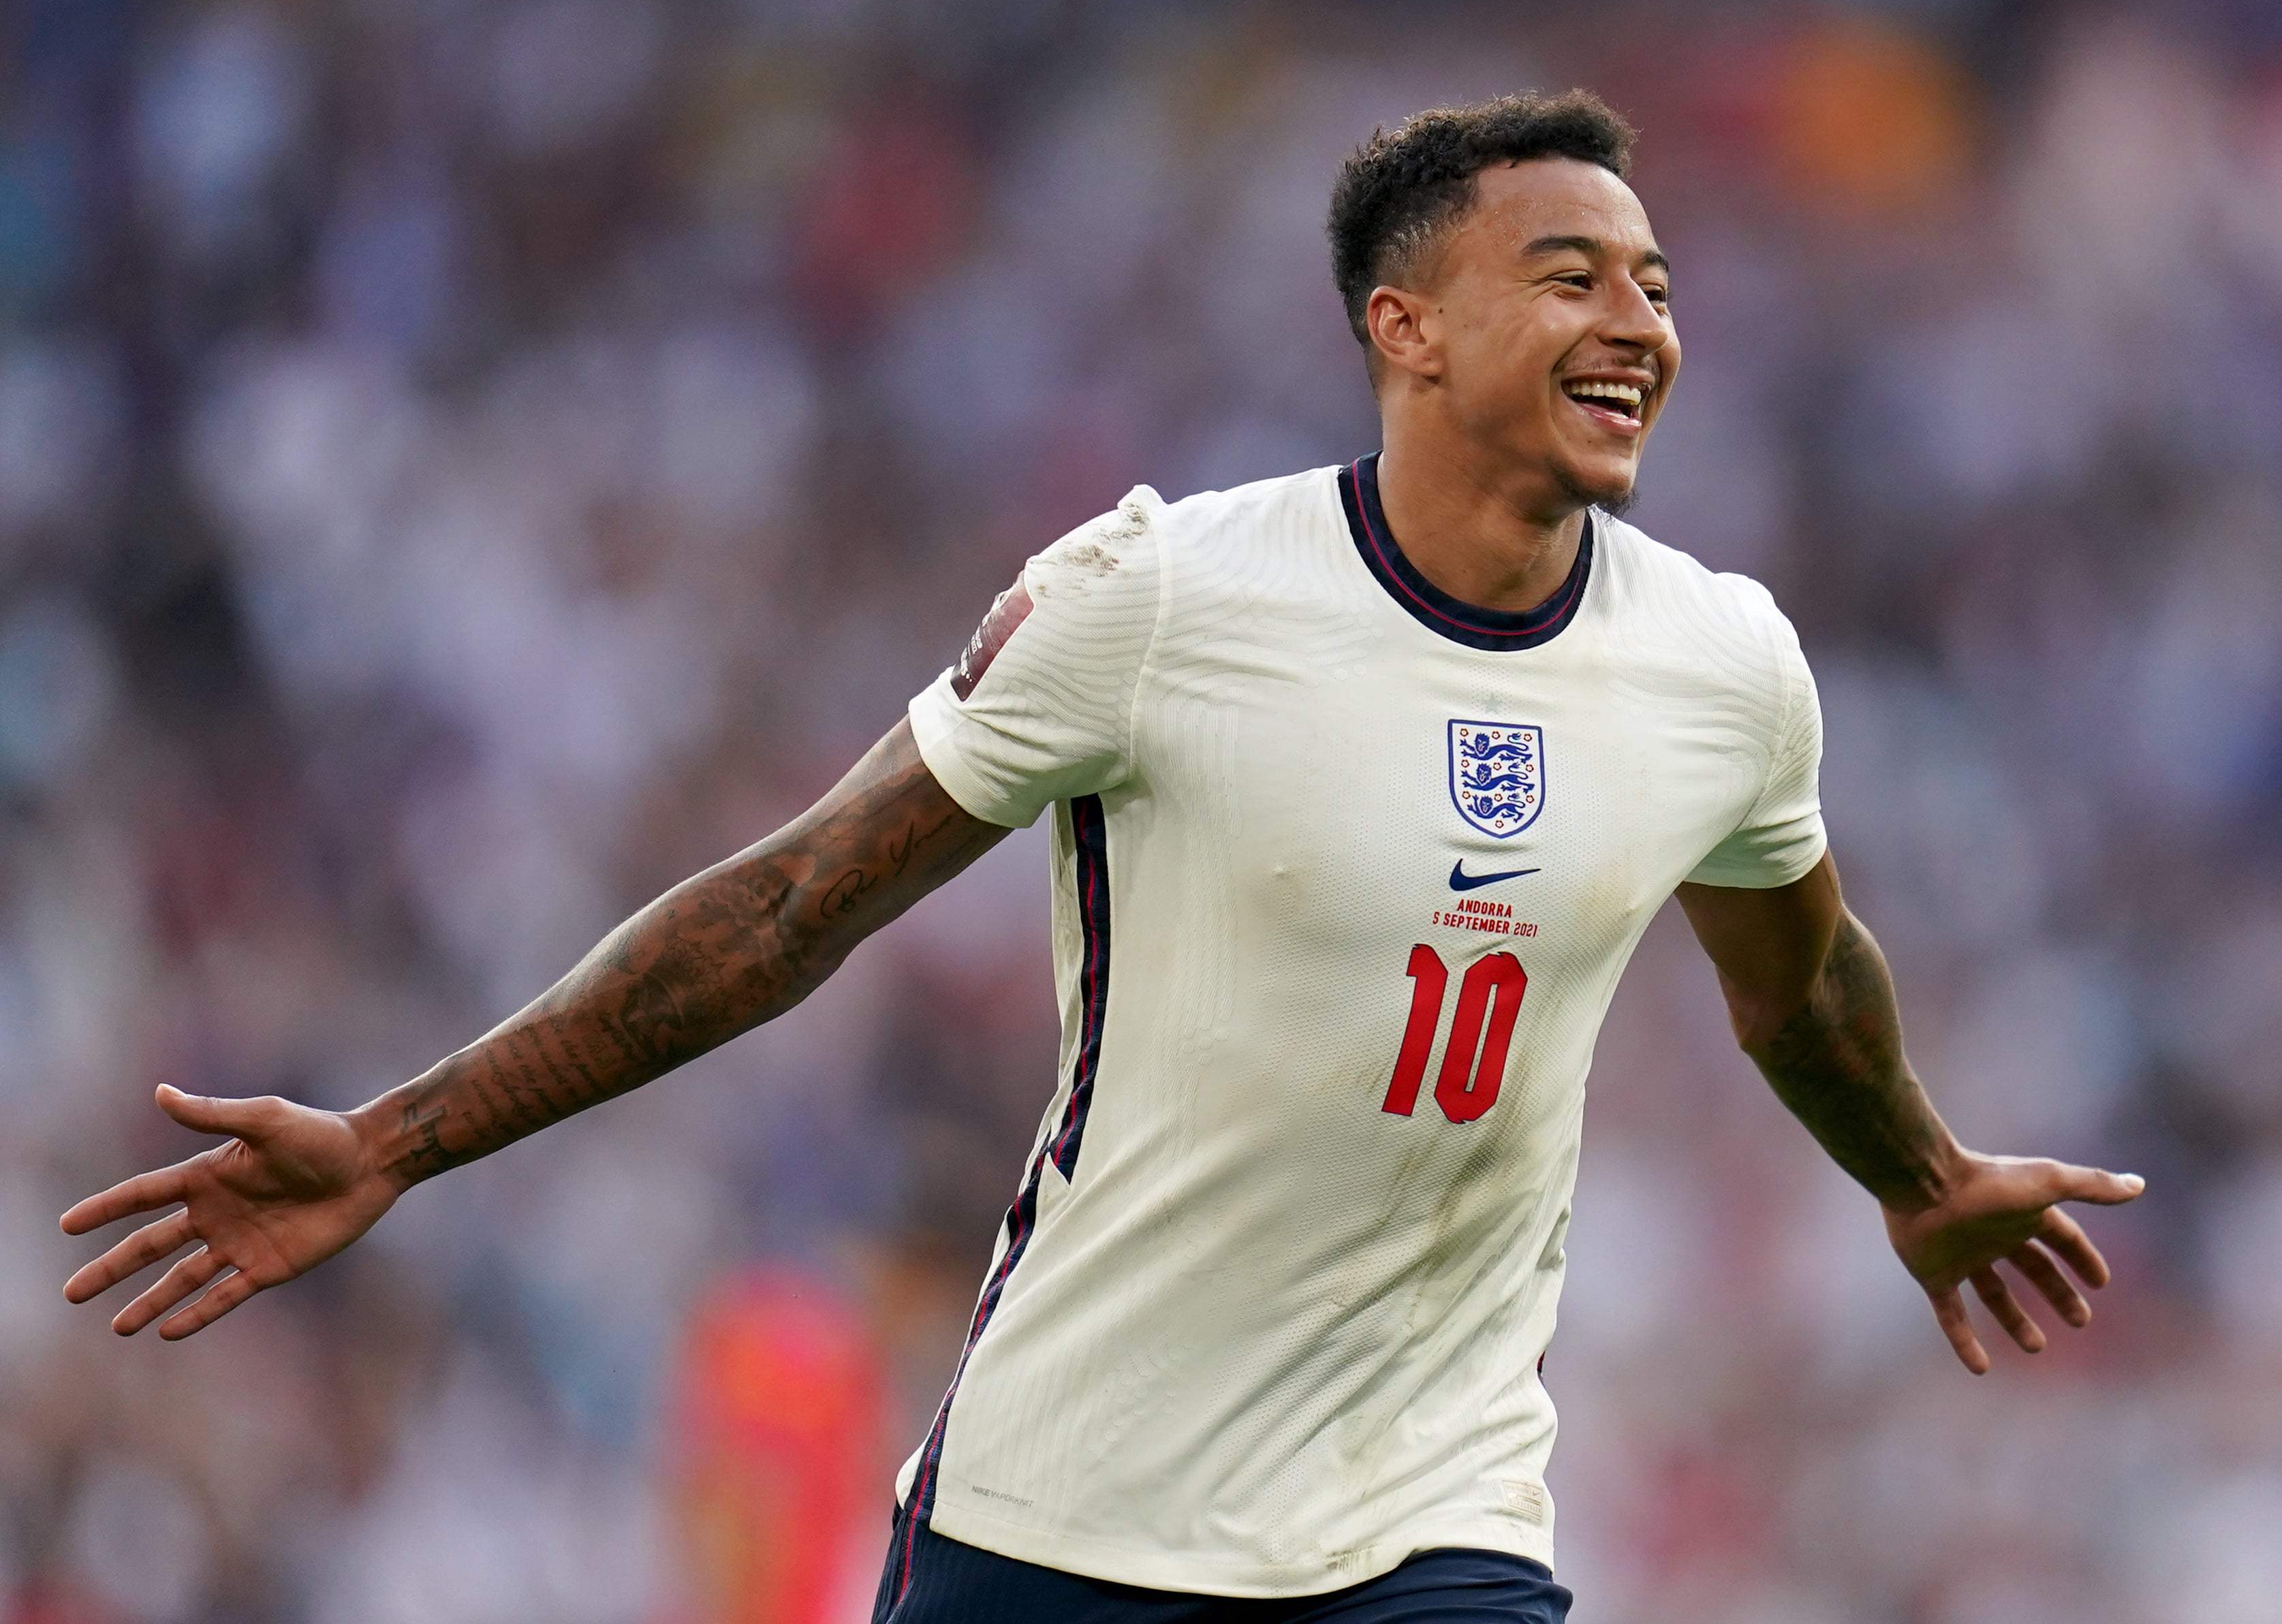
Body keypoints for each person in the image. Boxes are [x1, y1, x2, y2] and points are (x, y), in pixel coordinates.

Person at [61, 91, 2144, 1623]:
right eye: (1571, 274)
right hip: (1062, 1522)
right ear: (1402, 328)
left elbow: (1800, 979)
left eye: (1659, 284)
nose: (1638, 322)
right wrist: (403, 1140)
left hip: (1428, 1525)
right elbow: (791, 909)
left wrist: (1922, 1174)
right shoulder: (1160, 597)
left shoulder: (1720, 663)